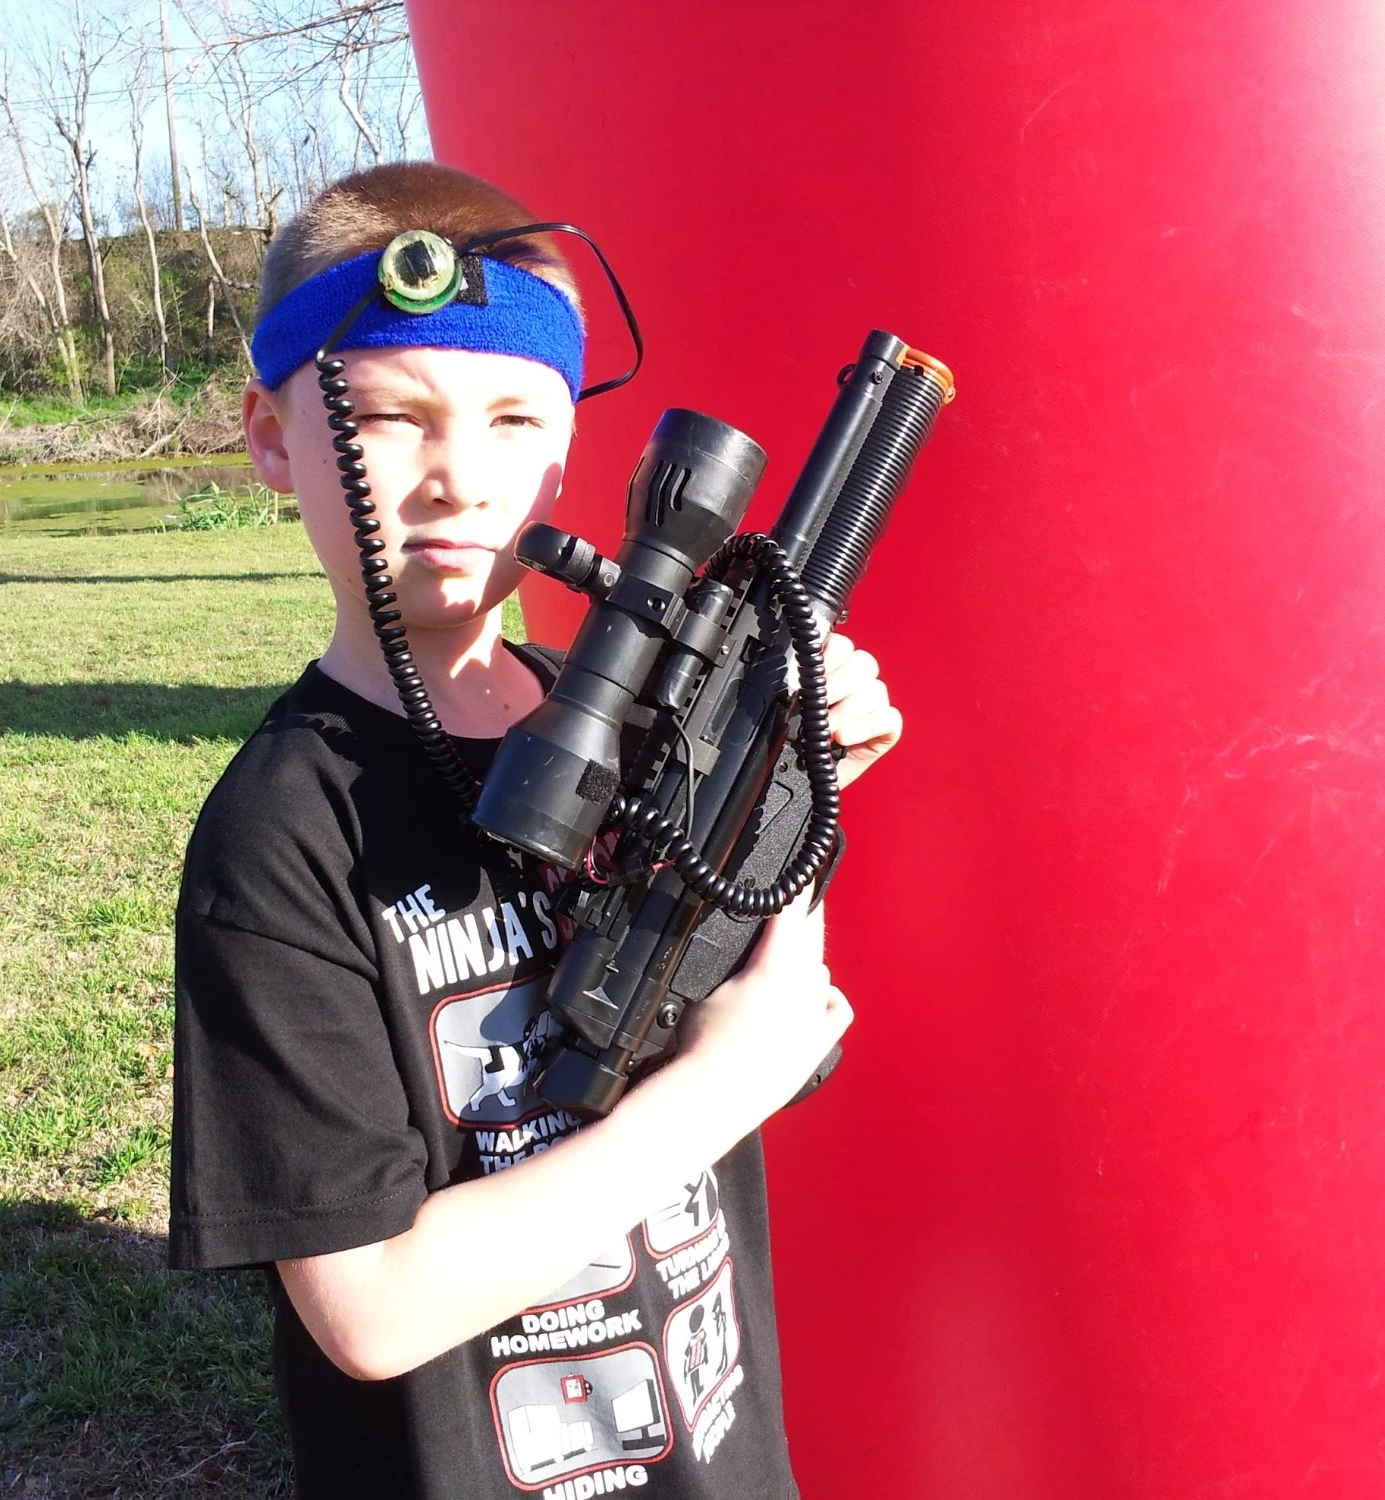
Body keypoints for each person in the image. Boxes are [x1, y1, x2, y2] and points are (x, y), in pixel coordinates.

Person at [169, 161, 903, 1499]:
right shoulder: (281, 836)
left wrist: (788, 785)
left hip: (714, 1446)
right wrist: (726, 1084)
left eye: (514, 419)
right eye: (389, 418)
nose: (459, 478)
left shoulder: (628, 717)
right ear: (273, 438)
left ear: (569, 454)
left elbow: (756, 1010)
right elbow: (371, 1311)